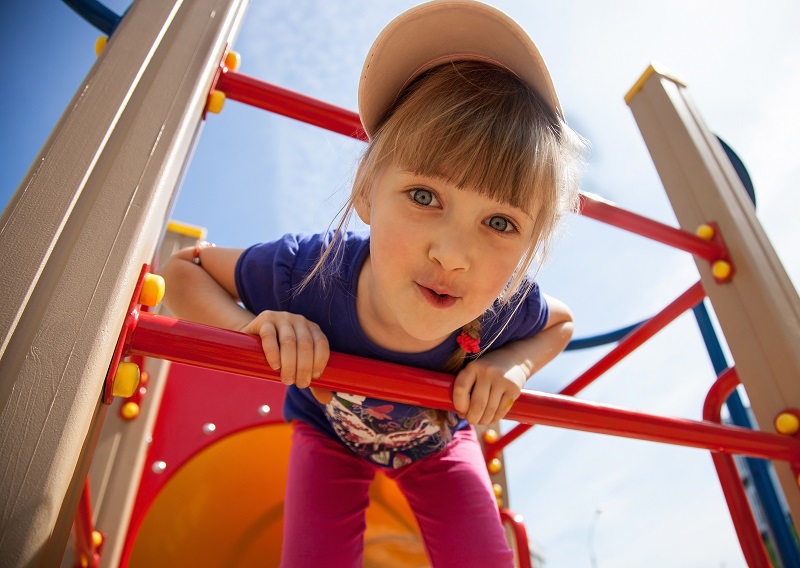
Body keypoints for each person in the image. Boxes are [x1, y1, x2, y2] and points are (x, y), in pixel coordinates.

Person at [162, 1, 585, 566]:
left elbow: (562, 323)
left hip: (438, 444)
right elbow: (183, 269)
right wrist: (252, 326)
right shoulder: (309, 272)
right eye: (424, 196)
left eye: (501, 223)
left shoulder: (503, 309)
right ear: (365, 190)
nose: (454, 255)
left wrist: (514, 365)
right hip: (328, 437)